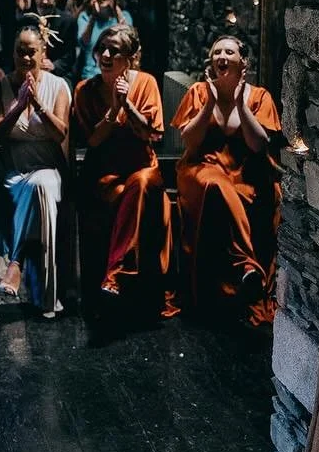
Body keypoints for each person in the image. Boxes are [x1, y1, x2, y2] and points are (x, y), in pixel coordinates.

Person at [172, 36, 281, 328]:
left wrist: (241, 104)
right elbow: (190, 143)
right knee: (215, 184)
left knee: (250, 190)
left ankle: (242, 281)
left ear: (243, 62)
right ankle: (246, 265)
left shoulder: (259, 96)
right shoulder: (198, 92)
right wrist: (209, 102)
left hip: (244, 172)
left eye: (229, 52)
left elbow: (259, 145)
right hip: (202, 168)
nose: (222, 56)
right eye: (216, 52)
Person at [71, 25, 176, 322]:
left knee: (142, 184)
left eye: (114, 50)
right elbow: (91, 140)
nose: (105, 54)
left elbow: (151, 135)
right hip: (106, 172)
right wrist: (112, 110)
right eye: (101, 48)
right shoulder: (85, 90)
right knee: (122, 193)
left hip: (142, 167)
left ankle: (116, 272)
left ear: (130, 57)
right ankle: (116, 278)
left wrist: (127, 104)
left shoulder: (146, 83)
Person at [0, 18, 72, 317]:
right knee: (36, 190)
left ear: (42, 52)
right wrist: (17, 106)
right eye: (19, 51)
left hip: (47, 167)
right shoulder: (1, 87)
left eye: (31, 52)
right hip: (13, 172)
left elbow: (60, 133)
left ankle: (16, 263)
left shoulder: (58, 86)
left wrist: (36, 103)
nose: (25, 58)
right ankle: (46, 297)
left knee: (43, 185)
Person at [74, 0, 134, 81]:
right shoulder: (85, 17)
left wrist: (115, 8)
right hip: (91, 75)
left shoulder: (124, 16)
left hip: (118, 75)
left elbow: (129, 39)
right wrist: (93, 16)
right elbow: (84, 42)